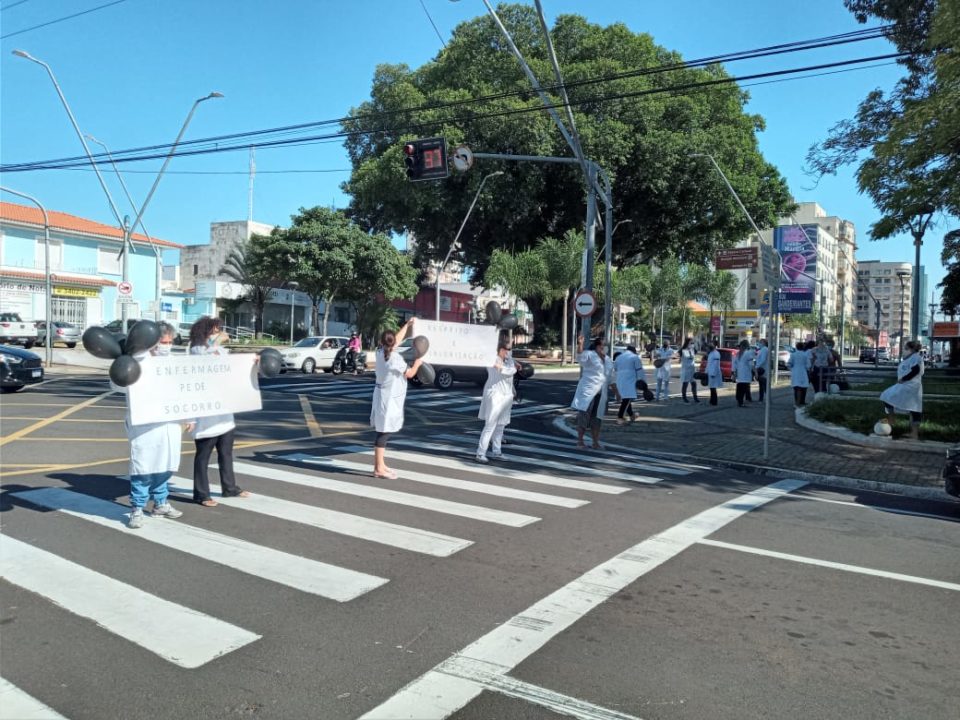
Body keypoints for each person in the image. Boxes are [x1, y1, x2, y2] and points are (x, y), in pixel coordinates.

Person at [117, 322, 189, 529]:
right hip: (145, 425)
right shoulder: (136, 361)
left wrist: (189, 417)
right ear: (151, 343)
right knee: (143, 466)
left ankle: (160, 503)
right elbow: (118, 384)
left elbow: (186, 390)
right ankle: (137, 508)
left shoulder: (175, 361)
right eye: (162, 342)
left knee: (166, 465)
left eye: (169, 342)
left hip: (170, 423)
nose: (166, 346)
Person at [190, 316, 250, 507]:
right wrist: (216, 342)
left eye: (218, 331)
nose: (218, 334)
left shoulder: (221, 351)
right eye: (214, 331)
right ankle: (201, 493)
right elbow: (205, 364)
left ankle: (229, 487)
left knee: (226, 453)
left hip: (224, 411)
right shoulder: (196, 350)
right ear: (204, 332)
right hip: (206, 413)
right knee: (203, 455)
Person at [370, 318, 423, 479]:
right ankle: (378, 468)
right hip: (389, 399)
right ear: (392, 344)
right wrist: (418, 362)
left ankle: (381, 464)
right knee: (384, 433)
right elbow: (410, 374)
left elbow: (395, 341)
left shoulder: (380, 352)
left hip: (382, 396)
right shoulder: (395, 359)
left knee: (383, 430)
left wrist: (407, 325)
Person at [476, 340, 517, 462]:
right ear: (500, 349)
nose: (508, 352)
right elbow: (505, 371)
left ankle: (497, 452)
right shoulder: (492, 359)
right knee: (490, 425)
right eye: (506, 349)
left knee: (501, 425)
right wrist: (509, 368)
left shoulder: (509, 361)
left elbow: (510, 374)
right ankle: (480, 453)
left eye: (509, 349)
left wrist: (513, 390)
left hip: (506, 395)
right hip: (495, 394)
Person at [571, 338, 614, 450]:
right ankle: (580, 441)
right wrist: (580, 344)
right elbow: (580, 358)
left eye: (606, 346)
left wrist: (617, 393)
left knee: (597, 417)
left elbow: (611, 378)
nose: (605, 347)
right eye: (603, 345)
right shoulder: (590, 354)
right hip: (589, 391)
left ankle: (595, 442)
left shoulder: (608, 360)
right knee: (584, 416)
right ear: (597, 346)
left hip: (602, 392)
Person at [880, 339, 924, 440]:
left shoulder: (916, 357)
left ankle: (913, 433)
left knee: (914, 409)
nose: (904, 350)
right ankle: (892, 419)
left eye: (906, 348)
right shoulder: (909, 358)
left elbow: (916, 370)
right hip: (905, 385)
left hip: (910, 386)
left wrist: (904, 379)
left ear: (912, 349)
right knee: (887, 396)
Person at [613, 344, 645, 424]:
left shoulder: (619, 357)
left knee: (626, 398)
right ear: (634, 351)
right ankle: (620, 417)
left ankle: (632, 415)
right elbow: (639, 370)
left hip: (620, 379)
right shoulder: (635, 357)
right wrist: (642, 381)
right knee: (627, 399)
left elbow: (615, 368)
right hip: (630, 379)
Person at [788, 340, 811, 407]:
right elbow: (808, 365)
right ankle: (802, 401)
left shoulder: (793, 355)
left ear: (796, 347)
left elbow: (789, 363)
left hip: (795, 372)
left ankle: (797, 402)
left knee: (796, 388)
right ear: (803, 347)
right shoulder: (805, 355)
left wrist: (791, 368)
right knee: (803, 387)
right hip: (803, 372)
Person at [734, 340, 756, 408]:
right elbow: (751, 364)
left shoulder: (738, 354)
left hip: (741, 375)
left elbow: (735, 365)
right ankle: (741, 402)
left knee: (740, 388)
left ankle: (739, 401)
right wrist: (756, 372)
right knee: (743, 389)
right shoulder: (748, 353)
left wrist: (735, 373)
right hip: (745, 374)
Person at [679, 338, 700, 404]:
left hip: (692, 369)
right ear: (687, 343)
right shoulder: (683, 350)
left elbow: (696, 352)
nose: (692, 344)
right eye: (691, 343)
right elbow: (689, 356)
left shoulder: (693, 350)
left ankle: (695, 397)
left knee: (694, 384)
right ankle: (684, 397)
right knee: (685, 384)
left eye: (692, 343)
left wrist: (695, 345)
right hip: (686, 369)